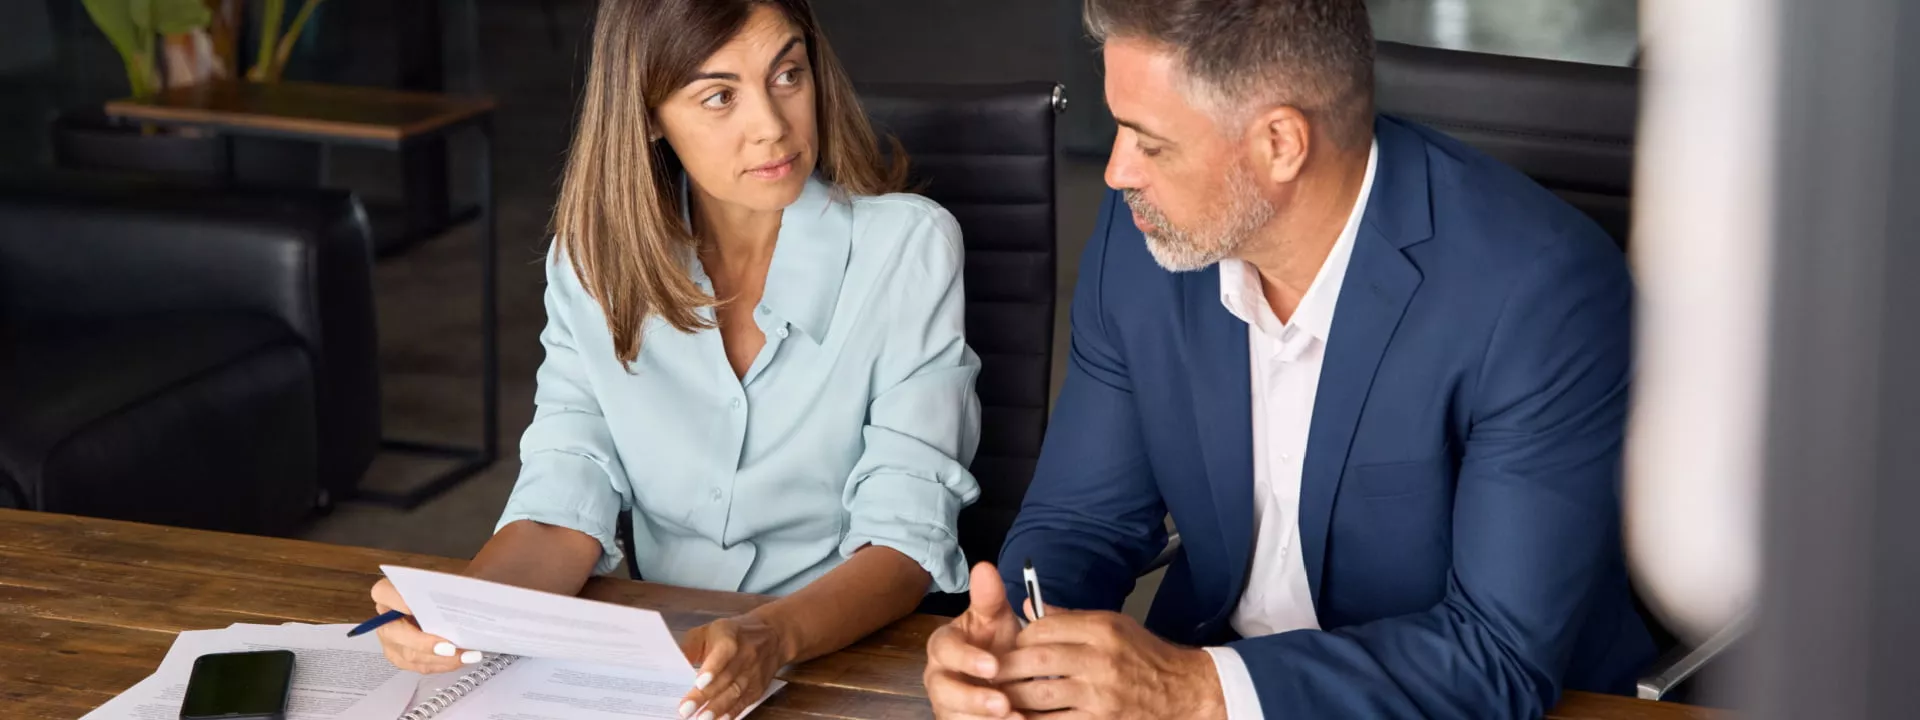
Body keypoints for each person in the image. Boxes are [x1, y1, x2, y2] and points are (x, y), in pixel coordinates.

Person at [924, 0, 1655, 718]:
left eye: (1150, 142)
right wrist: (1012, 651)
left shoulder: (1539, 294)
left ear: (1281, 143)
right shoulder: (1145, 240)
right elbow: (1082, 524)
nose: (1116, 174)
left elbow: (1495, 655)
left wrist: (1195, 692)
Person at [366, 2, 982, 719]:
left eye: (787, 74)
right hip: (662, 673)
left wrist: (768, 636)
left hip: (849, 664)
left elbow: (904, 543)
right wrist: (462, 611)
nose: (772, 125)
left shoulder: (908, 249)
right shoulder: (594, 262)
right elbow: (565, 496)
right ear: (649, 114)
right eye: (719, 95)